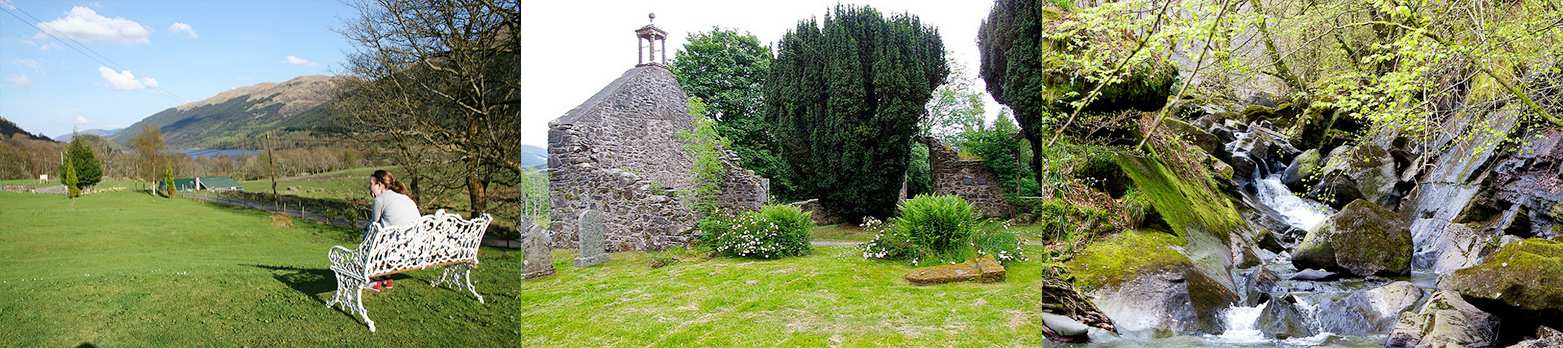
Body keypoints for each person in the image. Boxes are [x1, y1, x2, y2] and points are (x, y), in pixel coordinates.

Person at [364, 169, 420, 290]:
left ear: (379, 185)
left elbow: (373, 225)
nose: (370, 188)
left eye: (371, 185)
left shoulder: (380, 199)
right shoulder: (405, 197)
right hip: (415, 249)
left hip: (397, 251)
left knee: (369, 235)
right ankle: (386, 276)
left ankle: (370, 279)